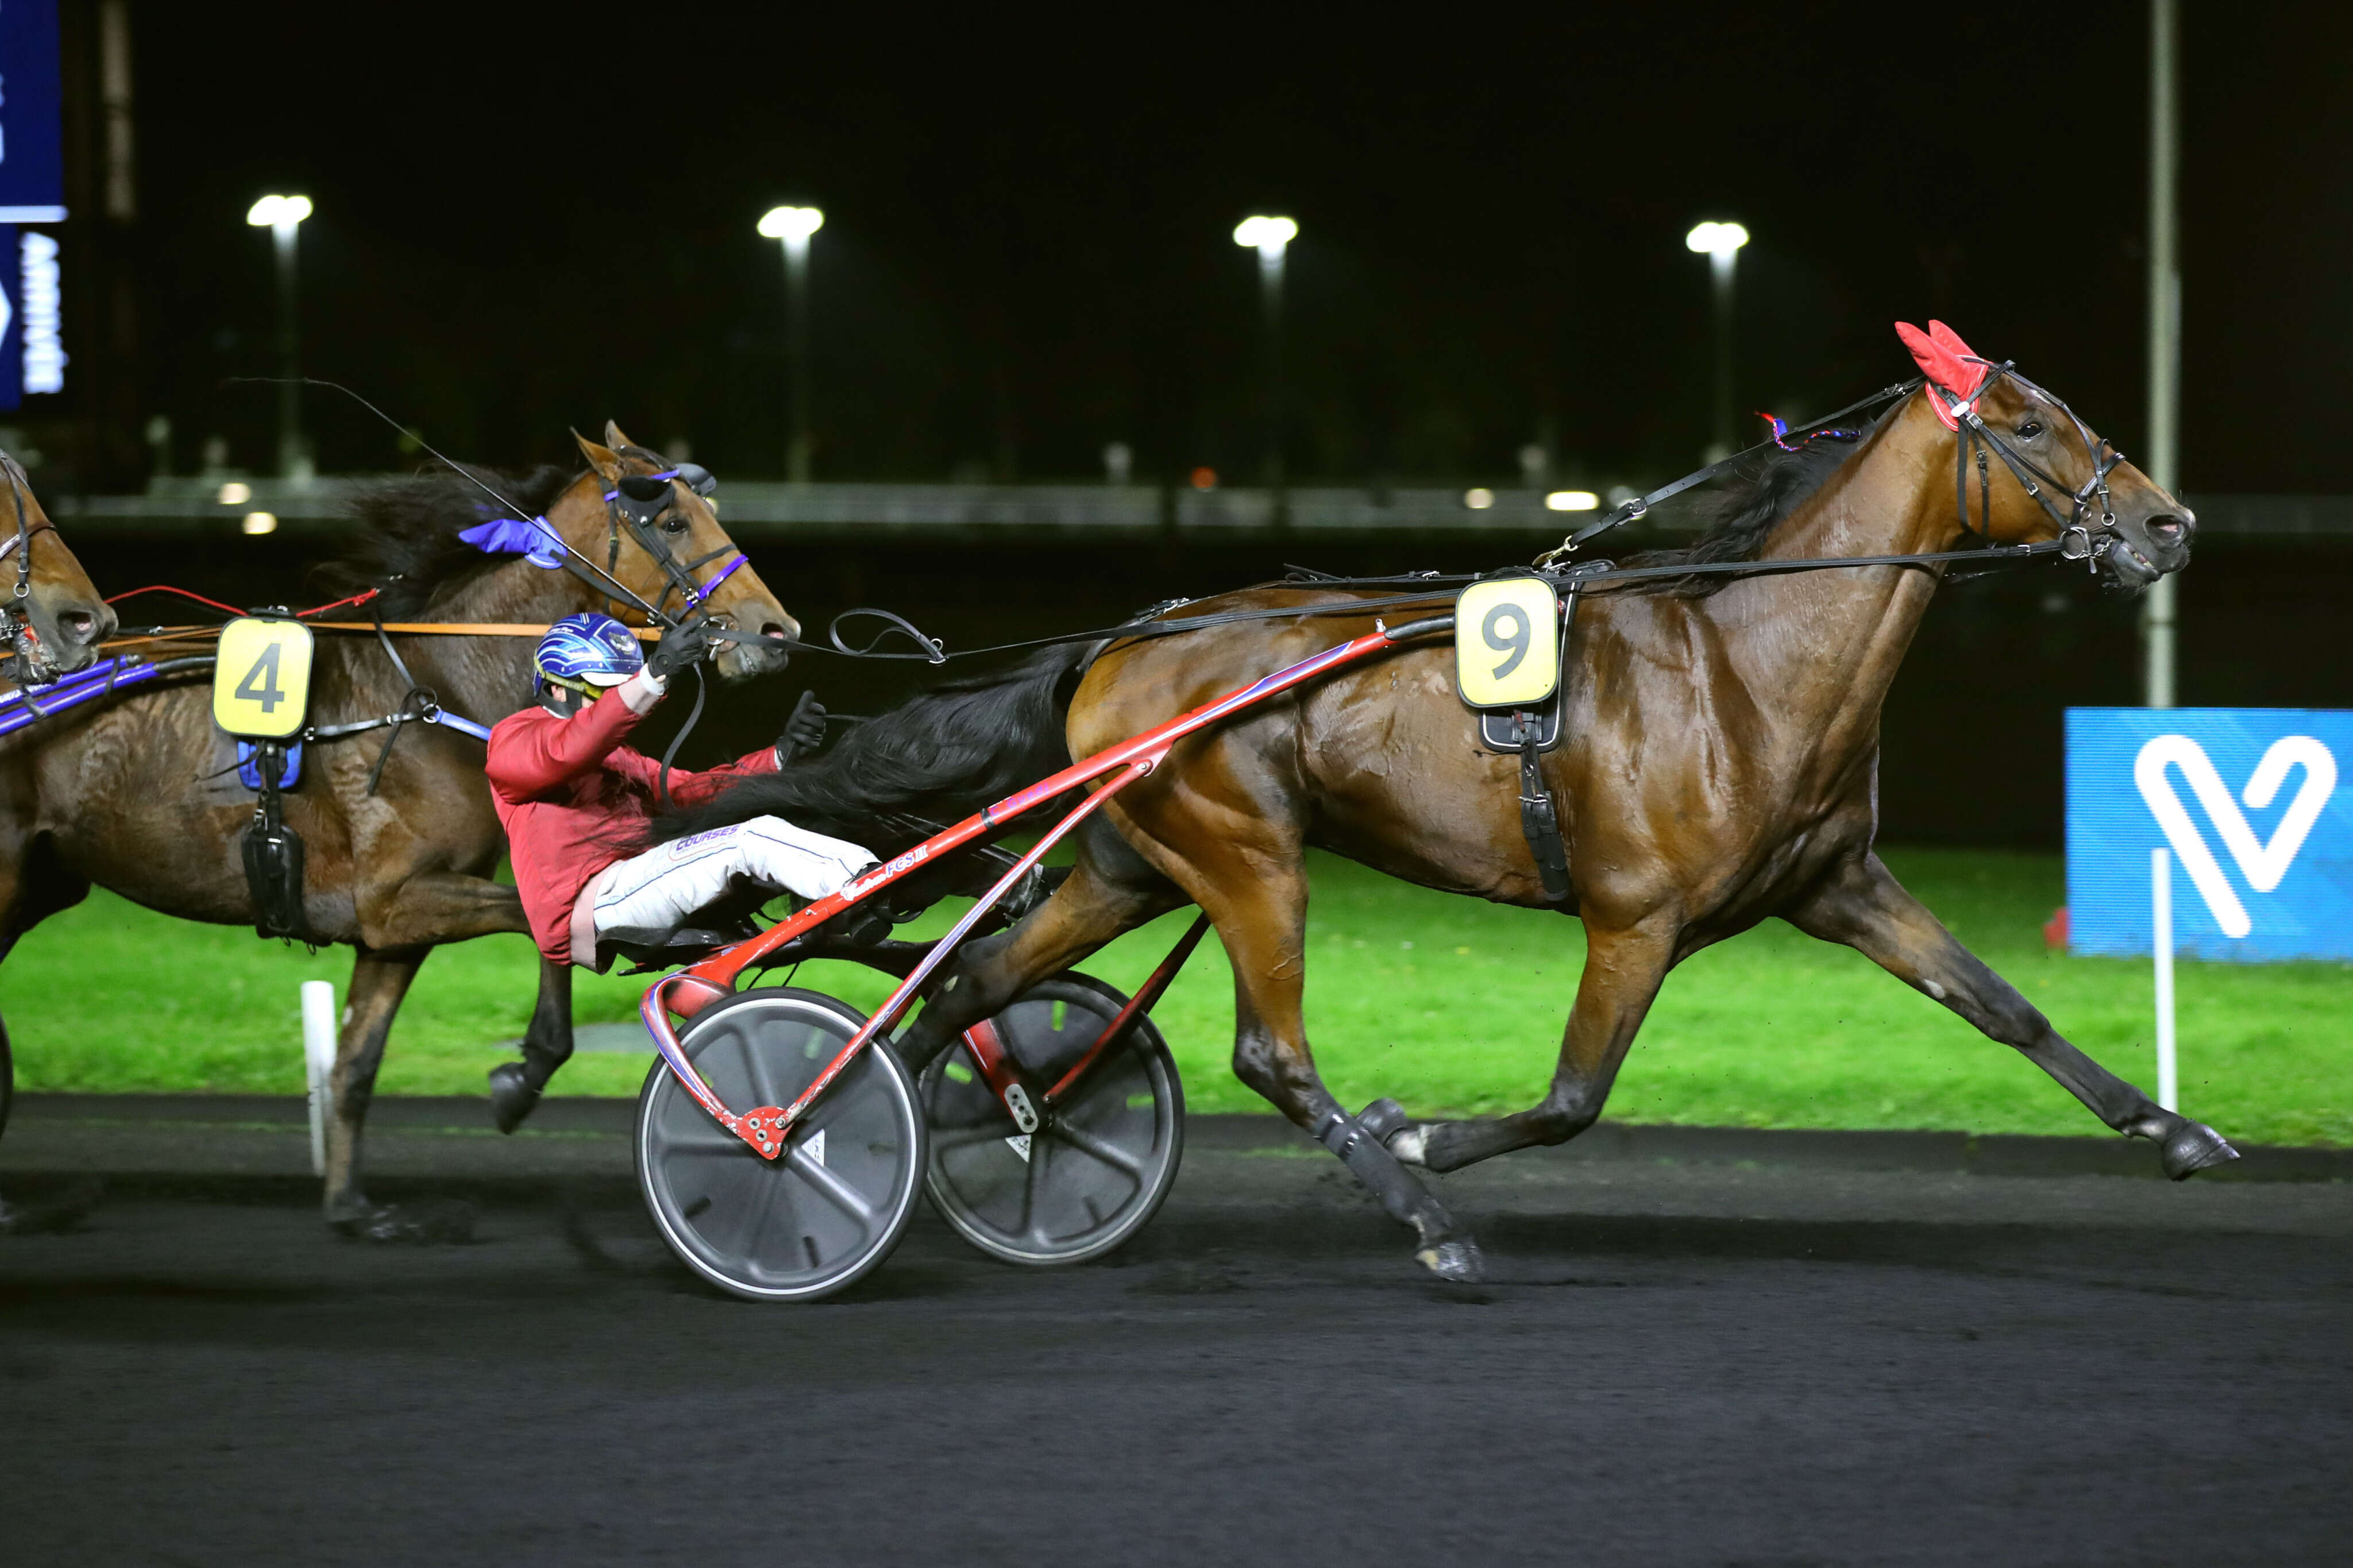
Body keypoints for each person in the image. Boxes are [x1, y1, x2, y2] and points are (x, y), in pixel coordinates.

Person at [484, 612, 874, 1121]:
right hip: (592, 902)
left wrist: (778, 757)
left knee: (755, 826)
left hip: (634, 879)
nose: (615, 701)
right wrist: (654, 675)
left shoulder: (619, 756)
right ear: (558, 691)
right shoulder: (516, 740)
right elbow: (569, 749)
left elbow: (689, 792)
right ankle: (863, 887)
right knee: (750, 840)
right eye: (603, 691)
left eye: (619, 689)